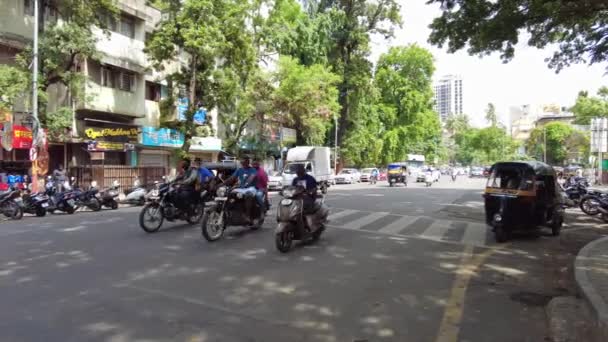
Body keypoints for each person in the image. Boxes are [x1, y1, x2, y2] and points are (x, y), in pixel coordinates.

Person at [227, 157, 259, 222]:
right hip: (241, 188)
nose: (243, 164)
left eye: (244, 162)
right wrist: (222, 184)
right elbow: (232, 178)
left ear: (248, 163)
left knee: (248, 195)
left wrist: (246, 184)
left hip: (251, 188)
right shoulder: (239, 170)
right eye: (242, 162)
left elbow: (251, 178)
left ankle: (248, 215)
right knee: (229, 193)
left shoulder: (253, 170)